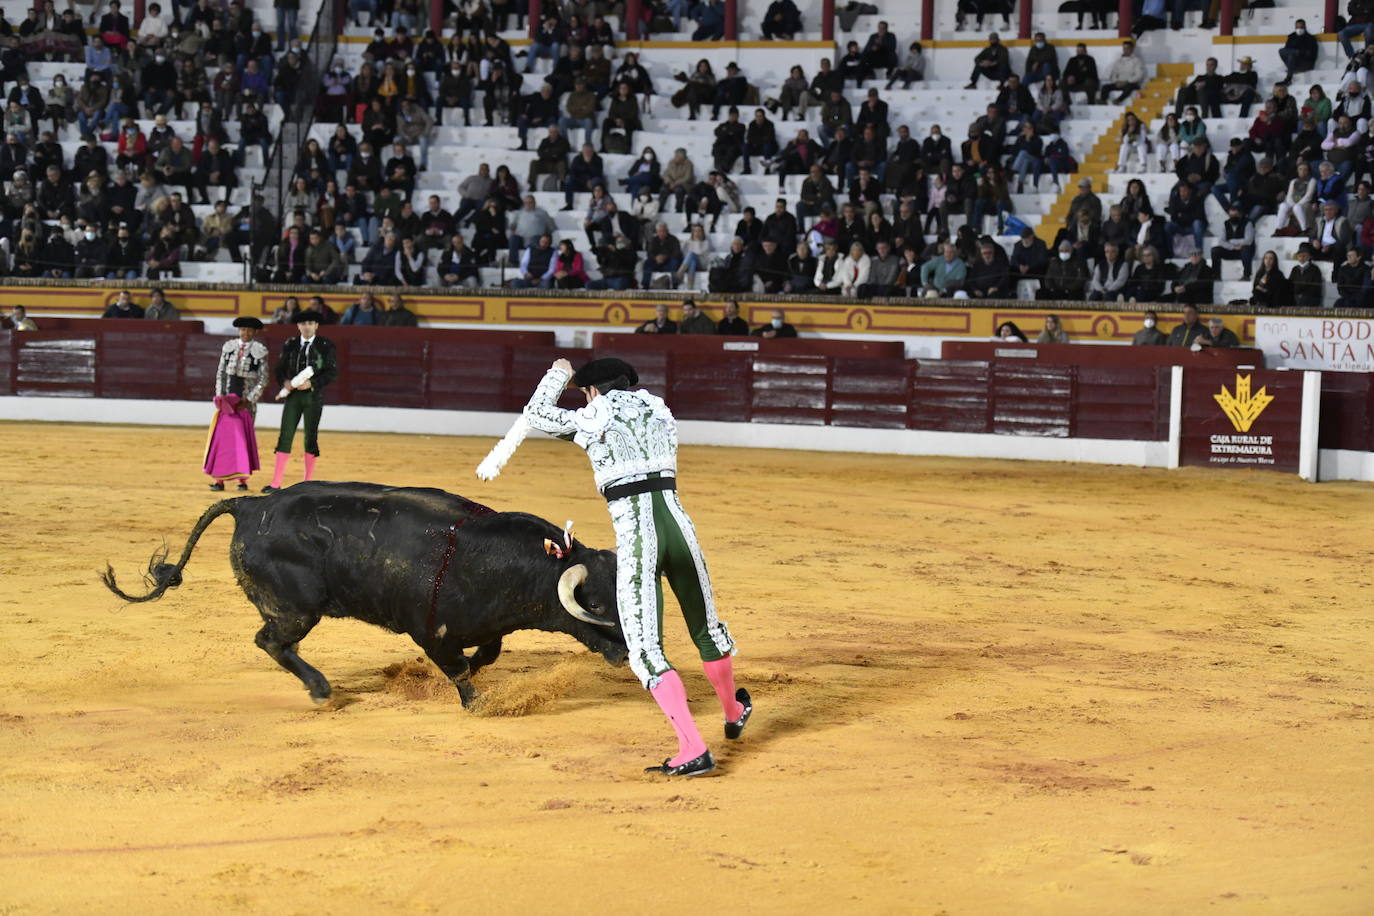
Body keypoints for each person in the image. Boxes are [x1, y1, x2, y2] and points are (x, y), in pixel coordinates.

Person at [520, 357, 747, 777]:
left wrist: (557, 373)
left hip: (640, 541)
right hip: (681, 531)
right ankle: (733, 711)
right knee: (707, 629)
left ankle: (693, 748)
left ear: (591, 391)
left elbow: (535, 414)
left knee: (646, 650)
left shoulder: (595, 417)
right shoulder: (660, 411)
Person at [264, 309, 338, 493]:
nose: (307, 327)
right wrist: (285, 382)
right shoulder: (290, 344)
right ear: (298, 326)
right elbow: (279, 369)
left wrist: (312, 383)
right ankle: (275, 482)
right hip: (293, 395)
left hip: (313, 395)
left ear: (316, 325)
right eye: (303, 324)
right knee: (285, 435)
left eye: (310, 323)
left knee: (310, 437)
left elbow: (332, 372)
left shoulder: (325, 345)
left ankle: (307, 483)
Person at [204, 316, 269, 491]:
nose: (245, 333)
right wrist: (220, 397)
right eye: (242, 330)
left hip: (246, 403)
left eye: (248, 330)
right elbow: (221, 374)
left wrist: (249, 400)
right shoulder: (229, 348)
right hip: (227, 403)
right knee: (223, 442)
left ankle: (242, 481)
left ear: (254, 332)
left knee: (242, 442)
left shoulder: (259, 351)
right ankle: (219, 480)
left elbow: (263, 379)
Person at [1279, 19, 1319, 85]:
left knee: (1291, 56)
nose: (1299, 29)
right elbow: (1286, 51)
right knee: (1282, 51)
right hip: (1292, 62)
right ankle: (1299, 52)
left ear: (1305, 27)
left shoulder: (1311, 38)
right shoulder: (1291, 37)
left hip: (1305, 63)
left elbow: (1312, 54)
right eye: (1297, 27)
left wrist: (1302, 54)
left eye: (1301, 27)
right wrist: (1299, 52)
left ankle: (1288, 78)